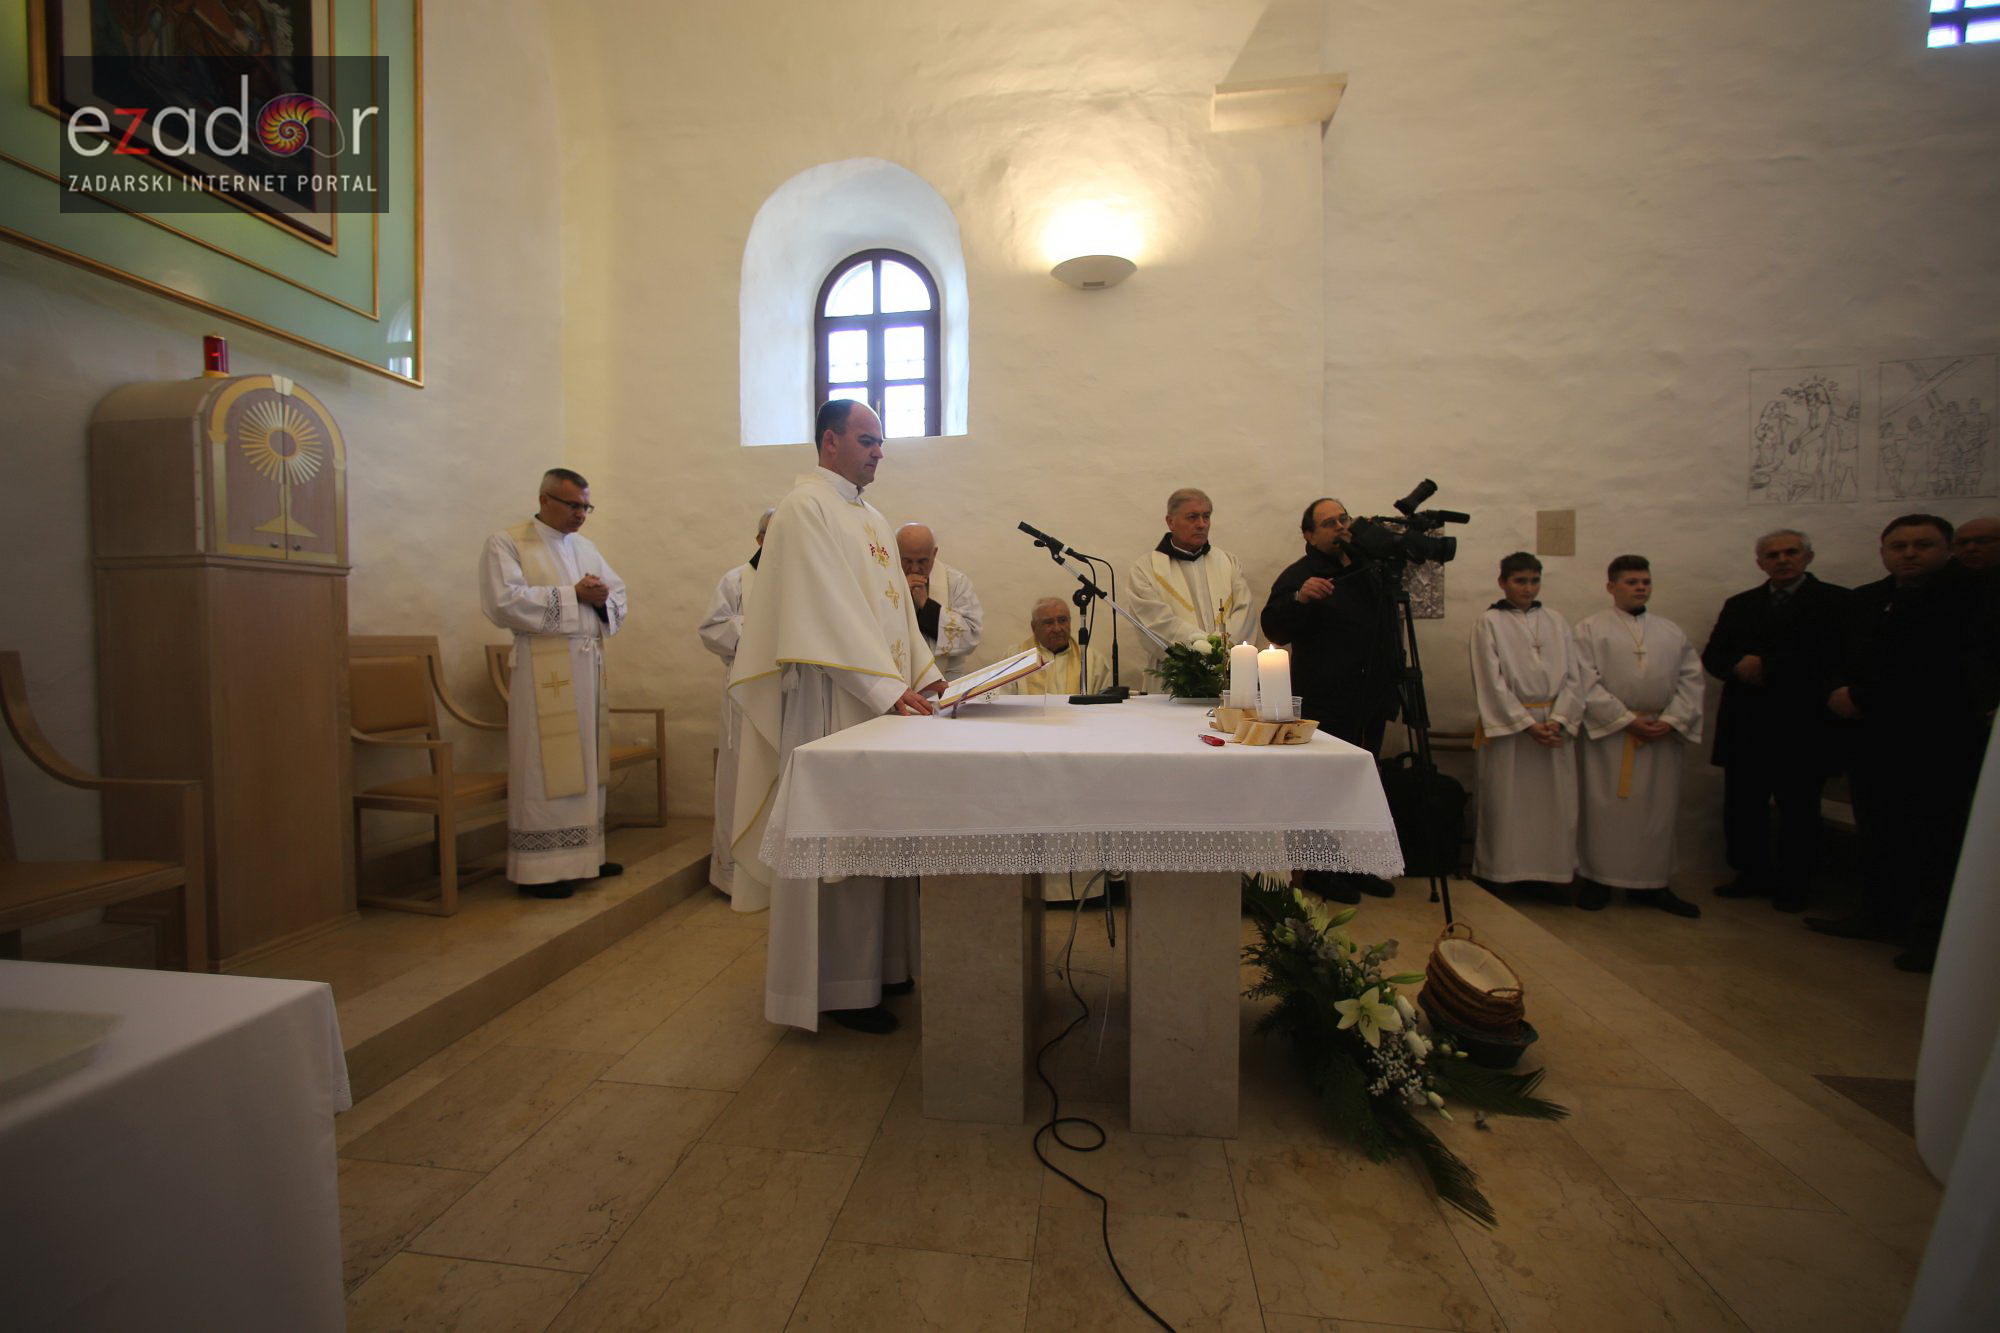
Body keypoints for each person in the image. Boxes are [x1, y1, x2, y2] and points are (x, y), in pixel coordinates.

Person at [728, 401, 946, 1033]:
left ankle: (885, 966)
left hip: (880, 704)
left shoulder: (871, 516)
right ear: (829, 441)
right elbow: (824, 609)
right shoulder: (805, 508)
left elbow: (896, 612)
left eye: (881, 442)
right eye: (867, 439)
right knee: (841, 846)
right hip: (834, 704)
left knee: (880, 838)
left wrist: (926, 673)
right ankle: (839, 989)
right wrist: (884, 687)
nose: (879, 451)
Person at [1808, 514, 2000, 972]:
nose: (1909, 553)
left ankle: (1931, 937)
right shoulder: (1868, 599)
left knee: (1935, 841)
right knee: (1879, 830)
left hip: (1937, 742)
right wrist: (1836, 690)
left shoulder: (1972, 598)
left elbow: (1940, 668)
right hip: (1871, 739)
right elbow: (1834, 653)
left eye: (1923, 545)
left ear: (1946, 550)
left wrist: (1861, 696)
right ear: (1883, 552)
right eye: (1898, 546)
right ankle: (1878, 913)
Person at [479, 468, 628, 900]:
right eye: (573, 505)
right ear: (545, 499)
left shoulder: (585, 547)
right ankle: (540, 871)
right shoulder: (507, 542)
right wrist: (572, 594)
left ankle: (585, 857)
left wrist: (602, 598)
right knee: (544, 766)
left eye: (586, 506)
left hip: (586, 666)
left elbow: (618, 594)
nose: (581, 514)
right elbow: (503, 602)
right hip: (542, 669)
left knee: (586, 762)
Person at [1700, 529, 1849, 913]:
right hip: (1748, 722)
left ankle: (1795, 883)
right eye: (1772, 555)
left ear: (1807, 557)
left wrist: (1768, 665)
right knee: (1744, 805)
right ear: (1760, 563)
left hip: (1802, 724)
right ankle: (1752, 873)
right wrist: (1736, 666)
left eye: (1790, 552)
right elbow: (1714, 654)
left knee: (1799, 808)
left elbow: (1831, 655)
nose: (1782, 560)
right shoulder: (1741, 604)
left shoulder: (1835, 602)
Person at [1572, 555, 1705, 917]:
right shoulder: (1590, 629)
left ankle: (1652, 884)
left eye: (1645, 581)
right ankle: (1597, 880)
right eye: (1631, 582)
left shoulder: (1670, 632)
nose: (1641, 587)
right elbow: (1583, 680)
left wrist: (1673, 719)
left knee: (1656, 813)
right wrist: (1624, 719)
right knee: (1604, 810)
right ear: (1611, 586)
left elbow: (1691, 680)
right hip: (1611, 736)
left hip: (1659, 735)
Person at [1469, 552, 1584, 891]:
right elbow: (1489, 680)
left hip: (1552, 724)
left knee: (1554, 807)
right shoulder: (1489, 622)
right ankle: (1501, 875)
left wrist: (1559, 719)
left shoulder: (1556, 621)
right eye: (1520, 581)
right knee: (1507, 804)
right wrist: (1526, 724)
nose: (1528, 588)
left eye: (1534, 581)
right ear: (1502, 582)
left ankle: (1552, 877)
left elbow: (1574, 677)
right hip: (1511, 729)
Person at [1260, 497, 1400, 755]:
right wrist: (1299, 599)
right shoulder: (1299, 575)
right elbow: (1274, 629)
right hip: (1325, 704)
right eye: (1329, 523)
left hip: (1372, 699)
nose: (1340, 526)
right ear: (1310, 536)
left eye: (1343, 519)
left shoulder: (1371, 569)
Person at [695, 507, 773, 895]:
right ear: (759, 539)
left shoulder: (802, 579)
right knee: (742, 779)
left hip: (788, 697)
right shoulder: (736, 580)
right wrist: (758, 631)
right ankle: (737, 878)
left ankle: (777, 878)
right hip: (745, 697)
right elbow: (711, 629)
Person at [1127, 487, 1254, 666]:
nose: (1202, 524)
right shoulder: (1146, 569)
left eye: (1206, 516)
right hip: (1177, 672)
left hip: (1227, 668)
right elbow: (1155, 622)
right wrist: (1208, 649)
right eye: (1192, 517)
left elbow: (1244, 613)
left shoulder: (1228, 562)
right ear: (1170, 521)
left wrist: (1221, 652)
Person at [895, 522, 984, 675]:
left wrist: (926, 606)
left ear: (934, 553)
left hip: (944, 680)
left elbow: (971, 637)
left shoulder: (956, 583)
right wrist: (900, 593)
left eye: (922, 561)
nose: (915, 568)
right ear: (895, 552)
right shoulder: (883, 581)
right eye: (907, 561)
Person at [1008, 596, 1113, 696]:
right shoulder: (1015, 659)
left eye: (1062, 620)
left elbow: (1105, 703)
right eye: (1048, 622)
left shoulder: (1092, 660)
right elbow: (1004, 700)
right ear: (1034, 627)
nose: (1057, 629)